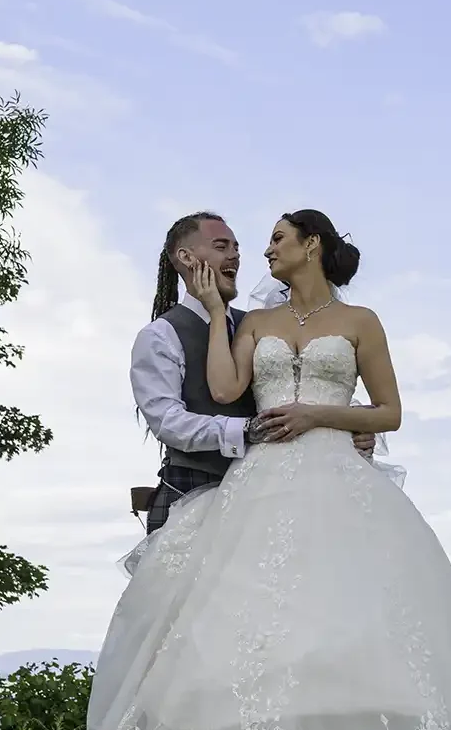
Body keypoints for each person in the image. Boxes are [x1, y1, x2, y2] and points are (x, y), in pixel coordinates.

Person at [76, 211, 451, 730]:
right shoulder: (244, 324)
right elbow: (225, 394)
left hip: (337, 477)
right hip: (259, 482)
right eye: (232, 245)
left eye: (273, 240)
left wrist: (328, 418)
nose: (257, 252)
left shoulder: (360, 323)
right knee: (259, 625)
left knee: (348, 615)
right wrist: (212, 313)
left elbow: (387, 412)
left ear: (312, 245)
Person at [129, 212, 375, 536]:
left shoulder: (261, 325)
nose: (235, 256)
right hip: (189, 496)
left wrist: (351, 428)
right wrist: (246, 430)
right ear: (186, 257)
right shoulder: (161, 336)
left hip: (272, 495)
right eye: (221, 246)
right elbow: (168, 422)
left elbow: (301, 387)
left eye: (236, 247)